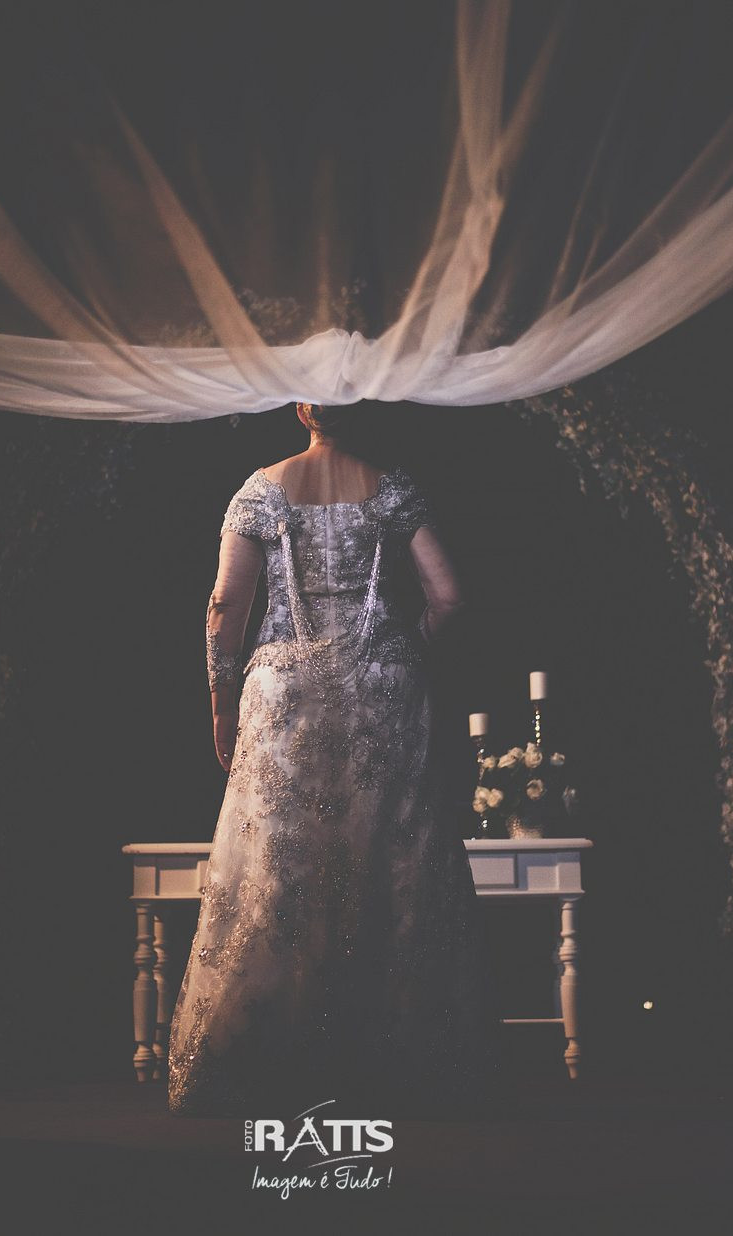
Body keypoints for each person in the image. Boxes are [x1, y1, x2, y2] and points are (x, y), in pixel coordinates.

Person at [167, 402, 502, 1119]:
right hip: (382, 686)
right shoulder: (393, 488)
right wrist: (402, 649)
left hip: (284, 691)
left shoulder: (261, 489)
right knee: (391, 864)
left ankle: (267, 1061)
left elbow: (226, 604)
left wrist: (221, 698)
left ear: (301, 408)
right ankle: (400, 1064)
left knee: (280, 869)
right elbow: (450, 598)